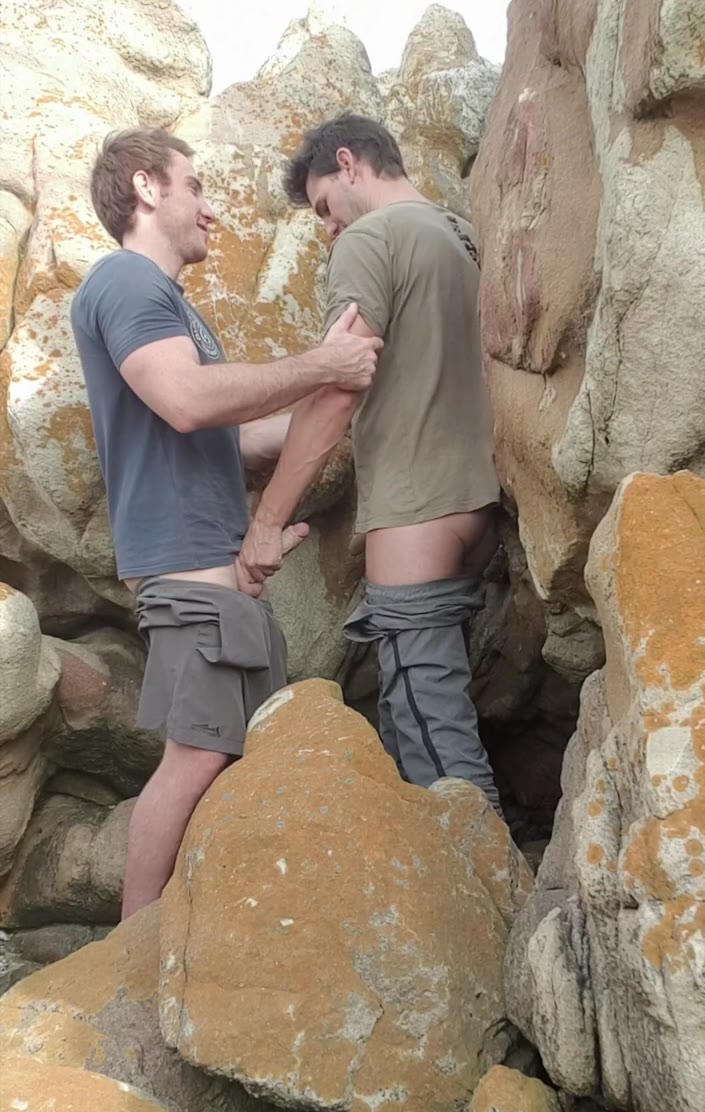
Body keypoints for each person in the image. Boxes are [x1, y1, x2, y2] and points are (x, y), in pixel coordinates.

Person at [70, 127, 383, 918]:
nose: (211, 210)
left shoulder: (173, 307)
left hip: (226, 582)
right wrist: (319, 365)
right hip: (190, 579)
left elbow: (236, 439)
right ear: (147, 188)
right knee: (197, 758)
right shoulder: (125, 281)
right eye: (195, 186)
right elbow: (186, 402)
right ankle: (130, 948)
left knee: (234, 761)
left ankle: (189, 936)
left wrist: (335, 395)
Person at [237, 113, 503, 816]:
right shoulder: (459, 235)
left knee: (435, 746)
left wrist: (267, 523)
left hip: (415, 514)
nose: (328, 227)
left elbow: (336, 390)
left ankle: (488, 875)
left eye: (325, 205)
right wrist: (246, 438)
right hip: (476, 501)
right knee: (424, 720)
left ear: (349, 163)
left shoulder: (370, 240)